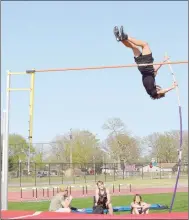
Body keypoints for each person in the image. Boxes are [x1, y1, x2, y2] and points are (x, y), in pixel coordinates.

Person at [113, 26, 178, 100]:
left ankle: (126, 37)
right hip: (141, 67)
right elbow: (155, 69)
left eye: (159, 89)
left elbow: (162, 91)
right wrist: (164, 61)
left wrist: (172, 87)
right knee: (134, 47)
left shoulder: (153, 93)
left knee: (145, 45)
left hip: (147, 65)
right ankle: (120, 38)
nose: (159, 88)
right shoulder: (150, 84)